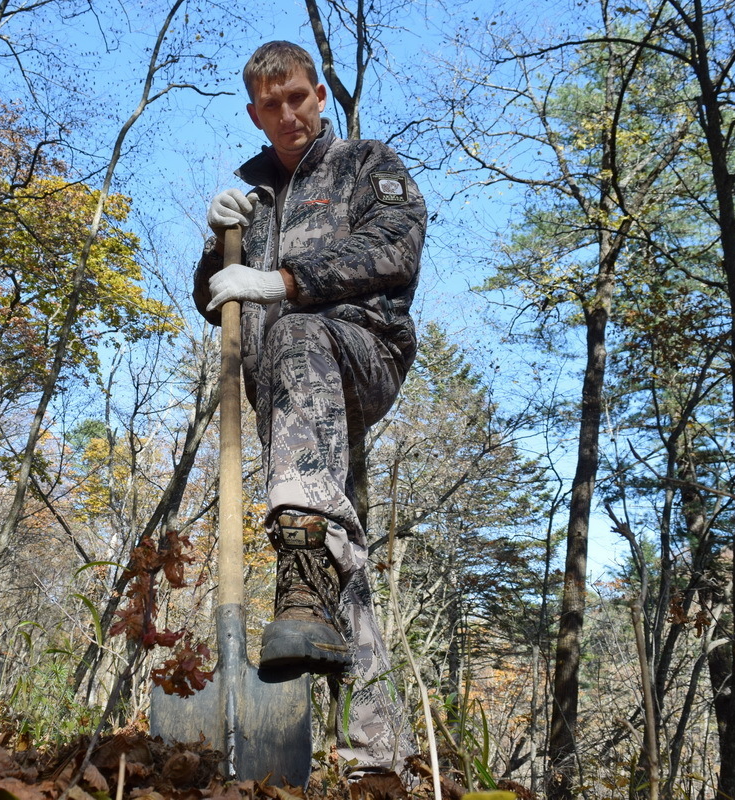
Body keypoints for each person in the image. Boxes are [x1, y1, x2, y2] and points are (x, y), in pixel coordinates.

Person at [192, 41, 426, 776]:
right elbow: (218, 300)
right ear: (255, 111)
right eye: (270, 102)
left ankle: (300, 562)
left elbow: (395, 251)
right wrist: (217, 248)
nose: (286, 112)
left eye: (296, 96)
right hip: (291, 398)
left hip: (362, 352)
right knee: (336, 552)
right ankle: (378, 759)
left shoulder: (367, 164)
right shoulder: (255, 201)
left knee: (294, 332)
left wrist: (283, 283)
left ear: (318, 94)